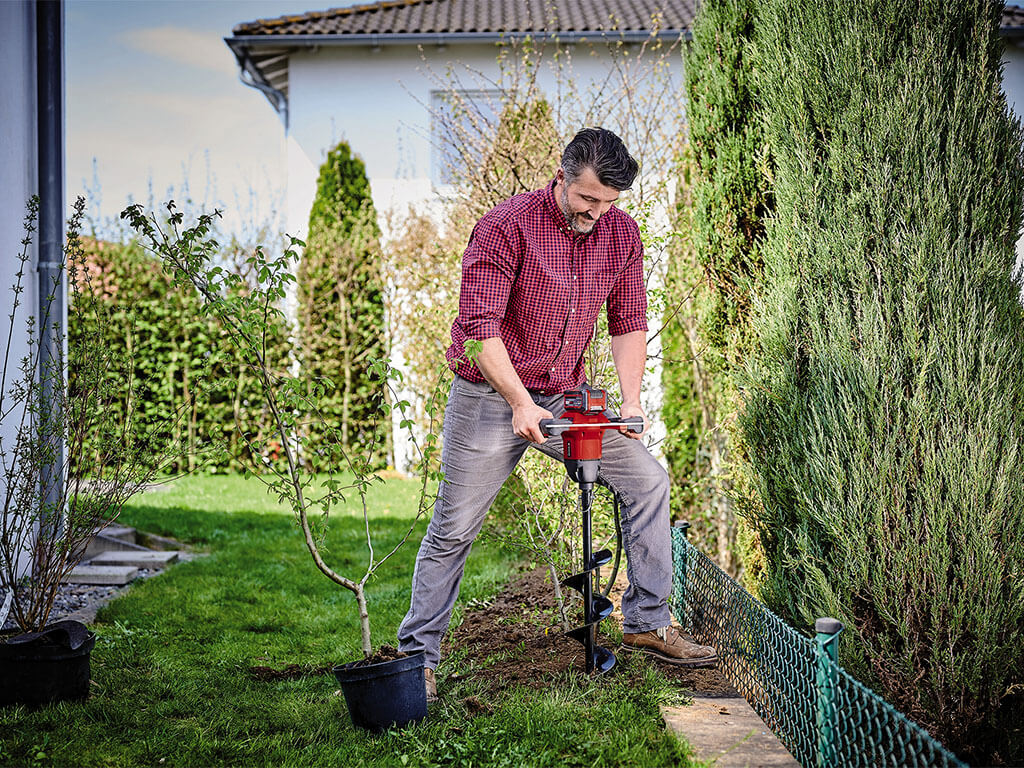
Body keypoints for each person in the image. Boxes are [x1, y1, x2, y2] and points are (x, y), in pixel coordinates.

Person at [397, 127, 717, 702]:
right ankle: (417, 657)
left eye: (609, 203)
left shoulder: (621, 234)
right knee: (454, 528)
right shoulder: (507, 226)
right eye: (587, 198)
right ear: (563, 176)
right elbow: (477, 331)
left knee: (648, 482)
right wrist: (518, 401)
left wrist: (633, 399)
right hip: (490, 396)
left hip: (566, 397)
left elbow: (629, 321)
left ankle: (646, 624)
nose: (597, 212)